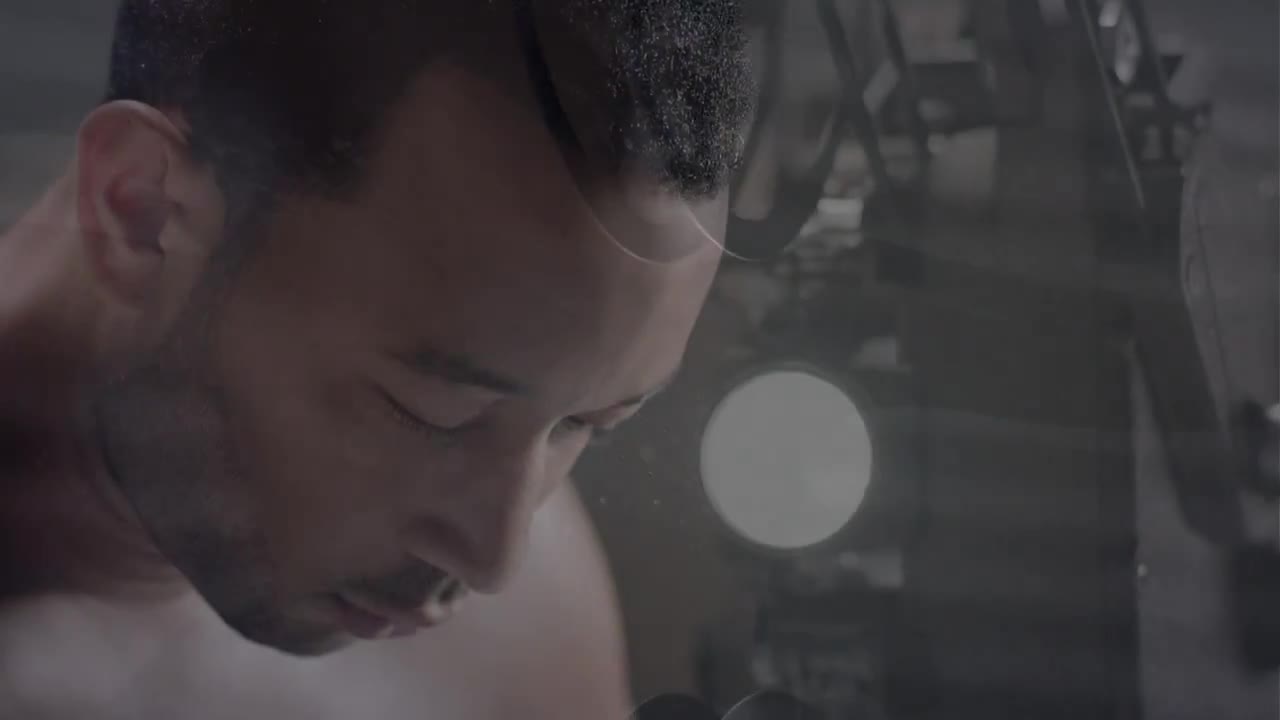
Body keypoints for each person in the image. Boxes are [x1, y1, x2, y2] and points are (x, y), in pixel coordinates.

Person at [0, 0, 753, 717]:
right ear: (142, 210)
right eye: (432, 415)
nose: (495, 560)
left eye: (584, 424)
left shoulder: (525, 644)